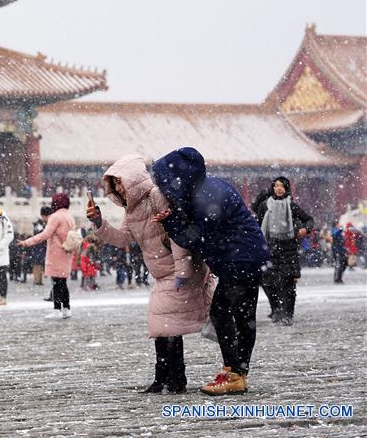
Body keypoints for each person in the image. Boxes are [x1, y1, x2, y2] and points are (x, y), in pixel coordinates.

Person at [87, 154, 216, 393]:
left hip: (178, 270)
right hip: (162, 274)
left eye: (120, 182)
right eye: (114, 185)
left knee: (167, 326)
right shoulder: (132, 211)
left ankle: (173, 379)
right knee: (164, 326)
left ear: (132, 180)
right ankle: (167, 378)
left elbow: (177, 234)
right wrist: (99, 223)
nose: (118, 188)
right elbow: (124, 238)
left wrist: (183, 270)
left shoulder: (156, 197)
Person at [151, 147, 269, 396]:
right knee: (243, 316)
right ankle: (237, 373)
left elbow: (192, 238)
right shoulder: (207, 188)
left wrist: (170, 222)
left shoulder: (204, 199)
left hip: (239, 260)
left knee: (222, 313)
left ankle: (235, 371)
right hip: (249, 257)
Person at [251, 176, 314, 326]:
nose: (279, 188)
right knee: (269, 283)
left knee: (289, 284)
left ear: (286, 188)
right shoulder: (265, 205)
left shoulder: (291, 205)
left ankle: (288, 314)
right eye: (276, 186)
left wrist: (306, 229)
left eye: (282, 186)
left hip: (289, 249)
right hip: (269, 248)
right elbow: (256, 220)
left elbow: (309, 219)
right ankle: (277, 310)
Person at [18, 193, 78, 319]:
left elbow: (45, 234)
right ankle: (66, 308)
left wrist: (26, 242)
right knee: (63, 283)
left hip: (56, 253)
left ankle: (57, 310)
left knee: (56, 282)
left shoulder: (55, 217)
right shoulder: (69, 216)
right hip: (67, 252)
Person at [29, 207, 51, 286]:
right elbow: (39, 234)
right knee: (37, 264)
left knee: (41, 264)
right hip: (38, 247)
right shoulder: (39, 224)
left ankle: (40, 280)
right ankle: (36, 280)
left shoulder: (47, 223)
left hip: (44, 247)